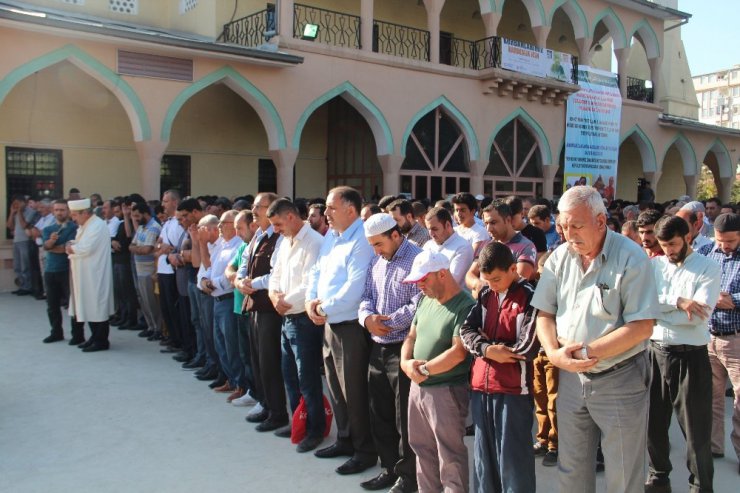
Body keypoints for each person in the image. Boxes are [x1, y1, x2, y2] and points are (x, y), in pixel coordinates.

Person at [531, 186, 659, 493]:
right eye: (562, 225)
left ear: (600, 222)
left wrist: (583, 353)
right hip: (571, 379)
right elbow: (544, 315)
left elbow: (642, 326)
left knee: (623, 474)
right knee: (571, 468)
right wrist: (553, 352)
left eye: (576, 225)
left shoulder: (631, 257)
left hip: (620, 378)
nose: (567, 233)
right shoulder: (560, 258)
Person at [646, 215, 720, 493]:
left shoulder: (707, 268)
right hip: (655, 352)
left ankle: (700, 485)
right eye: (663, 245)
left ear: (687, 237)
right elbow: (645, 304)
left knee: (696, 430)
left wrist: (660, 312)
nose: (668, 251)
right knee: (653, 423)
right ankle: (658, 477)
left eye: (673, 244)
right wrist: (677, 302)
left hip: (691, 356)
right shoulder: (654, 266)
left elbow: (697, 317)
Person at [306, 186, 377, 475]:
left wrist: (322, 309)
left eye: (331, 208)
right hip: (329, 322)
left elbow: (354, 289)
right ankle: (345, 439)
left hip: (349, 325)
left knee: (355, 391)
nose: (326, 214)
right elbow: (316, 272)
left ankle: (364, 451)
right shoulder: (332, 238)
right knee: (336, 387)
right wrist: (312, 301)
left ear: (351, 210)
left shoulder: (362, 239)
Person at [459, 242, 539, 492]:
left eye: (495, 279)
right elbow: (466, 330)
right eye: (486, 279)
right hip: (481, 387)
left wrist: (489, 346)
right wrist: (488, 349)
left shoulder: (530, 296)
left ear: (513, 269)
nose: (491, 285)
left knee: (513, 460)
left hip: (514, 390)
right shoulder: (485, 294)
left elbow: (526, 347)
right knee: (484, 459)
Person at [400, 251, 475, 492]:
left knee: (449, 455)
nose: (419, 286)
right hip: (418, 386)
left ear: (442, 274)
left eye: (424, 280)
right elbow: (411, 336)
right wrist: (405, 363)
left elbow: (458, 352)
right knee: (422, 450)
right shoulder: (425, 300)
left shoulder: (466, 306)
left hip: (446, 391)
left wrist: (421, 369)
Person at [358, 213, 422, 493]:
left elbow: (418, 303)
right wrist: (367, 319)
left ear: (396, 235)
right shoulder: (376, 261)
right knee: (380, 411)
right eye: (372, 245)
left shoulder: (418, 259)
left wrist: (388, 323)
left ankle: (409, 476)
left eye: (379, 244)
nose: (376, 250)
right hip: (377, 345)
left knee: (403, 417)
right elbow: (366, 297)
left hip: (403, 347)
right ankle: (389, 468)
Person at [267, 199, 326, 452]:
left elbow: (311, 284)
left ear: (291, 217)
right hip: (286, 317)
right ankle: (298, 422)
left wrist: (284, 302)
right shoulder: (284, 241)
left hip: (303, 320)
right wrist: (273, 296)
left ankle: (315, 429)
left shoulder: (314, 242)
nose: (276, 230)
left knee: (307, 377)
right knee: (289, 374)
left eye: (278, 224)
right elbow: (276, 274)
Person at [235, 193, 286, 430]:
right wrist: (239, 279)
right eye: (254, 206)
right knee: (256, 358)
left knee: (269, 361)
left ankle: (277, 412)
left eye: (259, 206)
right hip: (253, 305)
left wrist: (251, 283)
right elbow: (244, 263)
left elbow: (277, 275)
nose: (254, 210)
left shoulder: (279, 238)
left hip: (269, 308)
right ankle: (265, 404)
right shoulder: (258, 234)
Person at [697, 213, 740, 472]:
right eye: (721, 240)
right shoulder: (705, 251)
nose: (725, 245)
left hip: (736, 339)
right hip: (709, 336)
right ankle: (714, 446)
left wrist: (734, 299)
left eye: (731, 241)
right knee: (710, 398)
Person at [66, 198, 116, 352]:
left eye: (75, 215)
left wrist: (71, 247)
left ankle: (101, 341)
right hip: (85, 273)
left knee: (97, 306)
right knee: (88, 305)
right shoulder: (85, 225)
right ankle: (94, 337)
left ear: (85, 213)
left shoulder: (97, 225)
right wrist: (72, 245)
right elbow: (77, 243)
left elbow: (85, 247)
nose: (73, 218)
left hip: (95, 274)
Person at [466, 201, 537, 298]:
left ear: (508, 220)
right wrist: (478, 285)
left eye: (493, 222)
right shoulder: (486, 244)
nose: (488, 229)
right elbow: (470, 275)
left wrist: (482, 291)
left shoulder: (526, 246)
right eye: (486, 223)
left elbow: (517, 283)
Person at [40, 200, 78, 343]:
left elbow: (68, 248)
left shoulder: (74, 228)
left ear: (68, 211)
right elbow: (46, 246)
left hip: (67, 270)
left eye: (62, 210)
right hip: (50, 270)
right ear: (53, 211)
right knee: (52, 305)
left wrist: (54, 247)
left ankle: (77, 334)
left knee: (73, 305)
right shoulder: (48, 230)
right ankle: (56, 332)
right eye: (57, 210)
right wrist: (51, 242)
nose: (59, 212)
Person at [155, 190, 186, 354]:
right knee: (166, 307)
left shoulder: (179, 223)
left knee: (174, 308)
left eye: (166, 201)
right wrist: (163, 248)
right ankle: (172, 337)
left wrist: (167, 249)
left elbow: (180, 247)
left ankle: (179, 340)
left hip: (172, 270)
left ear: (175, 202)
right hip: (162, 268)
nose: (163, 205)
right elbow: (159, 243)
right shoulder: (167, 223)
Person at [129, 203, 163, 341]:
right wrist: (138, 249)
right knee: (143, 301)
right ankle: (150, 327)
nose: (136, 219)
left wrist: (137, 249)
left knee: (152, 302)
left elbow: (147, 249)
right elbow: (131, 245)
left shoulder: (154, 228)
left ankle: (158, 328)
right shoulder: (142, 228)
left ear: (145, 213)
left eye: (137, 215)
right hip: (139, 269)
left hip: (149, 270)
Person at [422, 206, 474, 287]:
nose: (431, 234)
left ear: (448, 225)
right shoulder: (428, 245)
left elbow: (450, 282)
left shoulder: (463, 248)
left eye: (435, 229)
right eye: (428, 229)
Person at [7, 195, 39, 296]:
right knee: (17, 266)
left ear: (24, 202)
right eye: (14, 204)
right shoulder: (16, 213)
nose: (16, 206)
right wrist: (12, 213)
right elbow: (9, 226)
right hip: (16, 241)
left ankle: (27, 287)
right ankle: (22, 285)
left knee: (25, 265)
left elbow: (24, 225)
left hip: (25, 241)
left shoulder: (31, 211)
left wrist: (20, 212)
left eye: (18, 204)